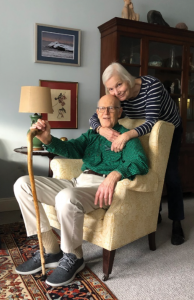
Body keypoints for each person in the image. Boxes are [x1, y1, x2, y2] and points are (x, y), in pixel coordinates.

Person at [14, 94, 148, 287]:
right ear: (97, 113)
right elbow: (70, 149)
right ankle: (50, 249)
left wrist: (115, 174)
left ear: (120, 112)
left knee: (66, 197)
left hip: (100, 187)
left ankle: (74, 256)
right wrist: (48, 139)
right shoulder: (91, 135)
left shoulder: (127, 136)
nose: (106, 112)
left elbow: (141, 163)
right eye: (102, 108)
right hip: (77, 182)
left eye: (111, 108)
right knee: (23, 184)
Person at [89, 62, 185, 246]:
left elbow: (151, 122)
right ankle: (152, 213)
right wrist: (101, 130)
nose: (116, 92)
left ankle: (177, 222)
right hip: (142, 133)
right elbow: (95, 116)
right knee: (146, 170)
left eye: (119, 85)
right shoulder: (113, 96)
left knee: (170, 175)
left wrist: (124, 137)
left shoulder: (152, 86)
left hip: (169, 130)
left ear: (128, 79)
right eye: (111, 88)